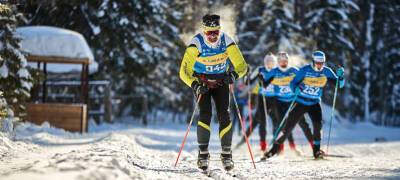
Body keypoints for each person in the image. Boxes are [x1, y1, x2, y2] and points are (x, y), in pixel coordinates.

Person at [179, 14, 247, 171]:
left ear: (219, 29)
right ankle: (203, 154)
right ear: (203, 31)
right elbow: (183, 72)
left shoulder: (227, 41)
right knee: (205, 114)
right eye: (209, 32)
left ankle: (226, 154)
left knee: (224, 114)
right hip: (202, 82)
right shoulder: (196, 44)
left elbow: (242, 66)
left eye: (215, 32)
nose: (212, 36)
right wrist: (194, 85)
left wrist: (234, 75)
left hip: (221, 81)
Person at [263, 51, 345, 159]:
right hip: (301, 102)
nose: (320, 65)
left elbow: (339, 85)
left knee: (317, 126)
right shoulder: (305, 70)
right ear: (313, 61)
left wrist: (341, 77)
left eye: (322, 63)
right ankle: (273, 150)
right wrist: (295, 88)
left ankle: (316, 151)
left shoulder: (326, 71)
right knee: (288, 127)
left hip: (314, 102)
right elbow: (293, 83)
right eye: (317, 63)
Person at [260, 51, 314, 155]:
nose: (283, 63)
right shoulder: (274, 71)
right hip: (279, 102)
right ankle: (281, 149)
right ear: (278, 62)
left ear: (287, 61)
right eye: (280, 61)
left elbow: (303, 81)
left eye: (285, 61)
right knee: (282, 126)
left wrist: (301, 86)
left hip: (293, 101)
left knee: (303, 124)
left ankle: (314, 146)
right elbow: (264, 84)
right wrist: (262, 80)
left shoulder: (293, 70)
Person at [235, 53, 280, 153]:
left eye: (272, 62)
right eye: (268, 62)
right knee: (261, 122)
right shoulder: (260, 70)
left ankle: (277, 145)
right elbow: (248, 82)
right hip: (262, 98)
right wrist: (247, 74)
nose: (270, 64)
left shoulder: (277, 71)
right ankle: (263, 145)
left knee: (276, 121)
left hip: (275, 98)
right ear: (265, 62)